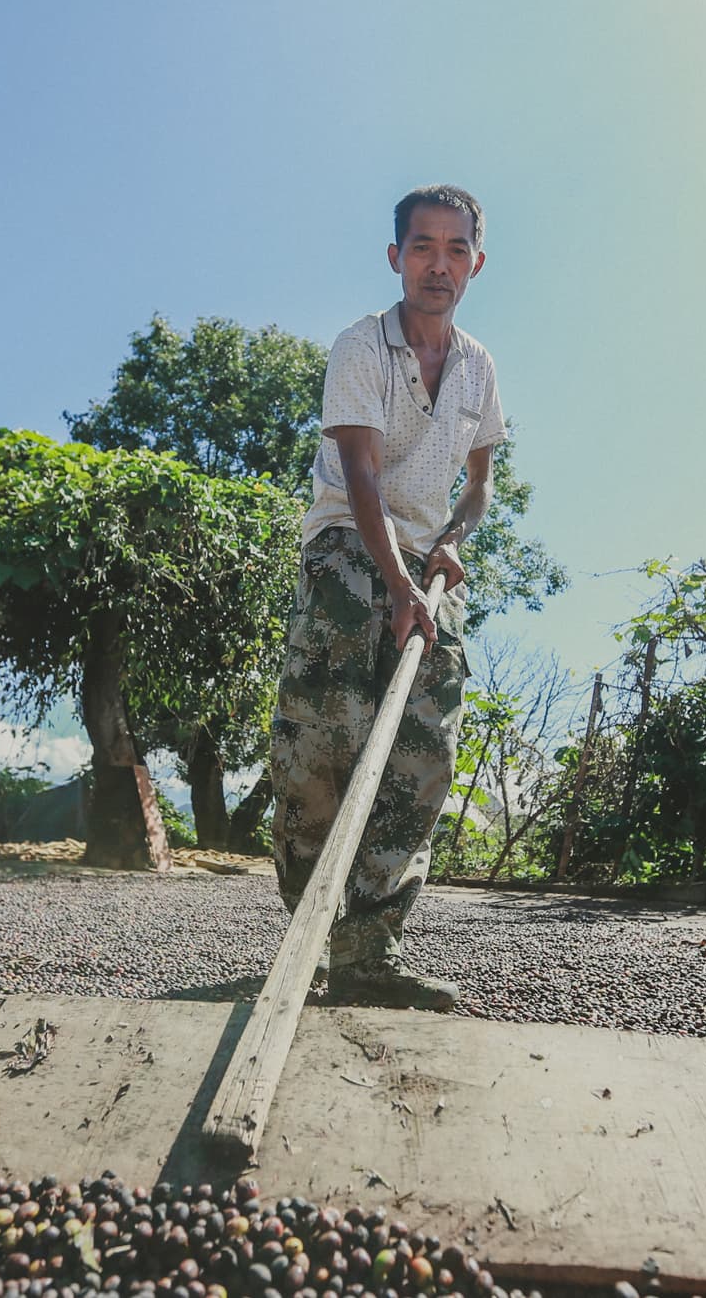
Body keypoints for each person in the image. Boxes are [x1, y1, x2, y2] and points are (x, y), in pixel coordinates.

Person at [269, 184, 508, 1011]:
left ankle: (370, 955)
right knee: (323, 740)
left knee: (421, 753)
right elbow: (363, 475)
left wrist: (449, 544)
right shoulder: (361, 347)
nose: (437, 264)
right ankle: (308, 942)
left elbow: (478, 487)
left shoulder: (478, 365)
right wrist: (398, 582)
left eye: (454, 249)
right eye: (421, 247)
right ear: (395, 256)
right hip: (347, 547)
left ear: (476, 262)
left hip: (425, 563)